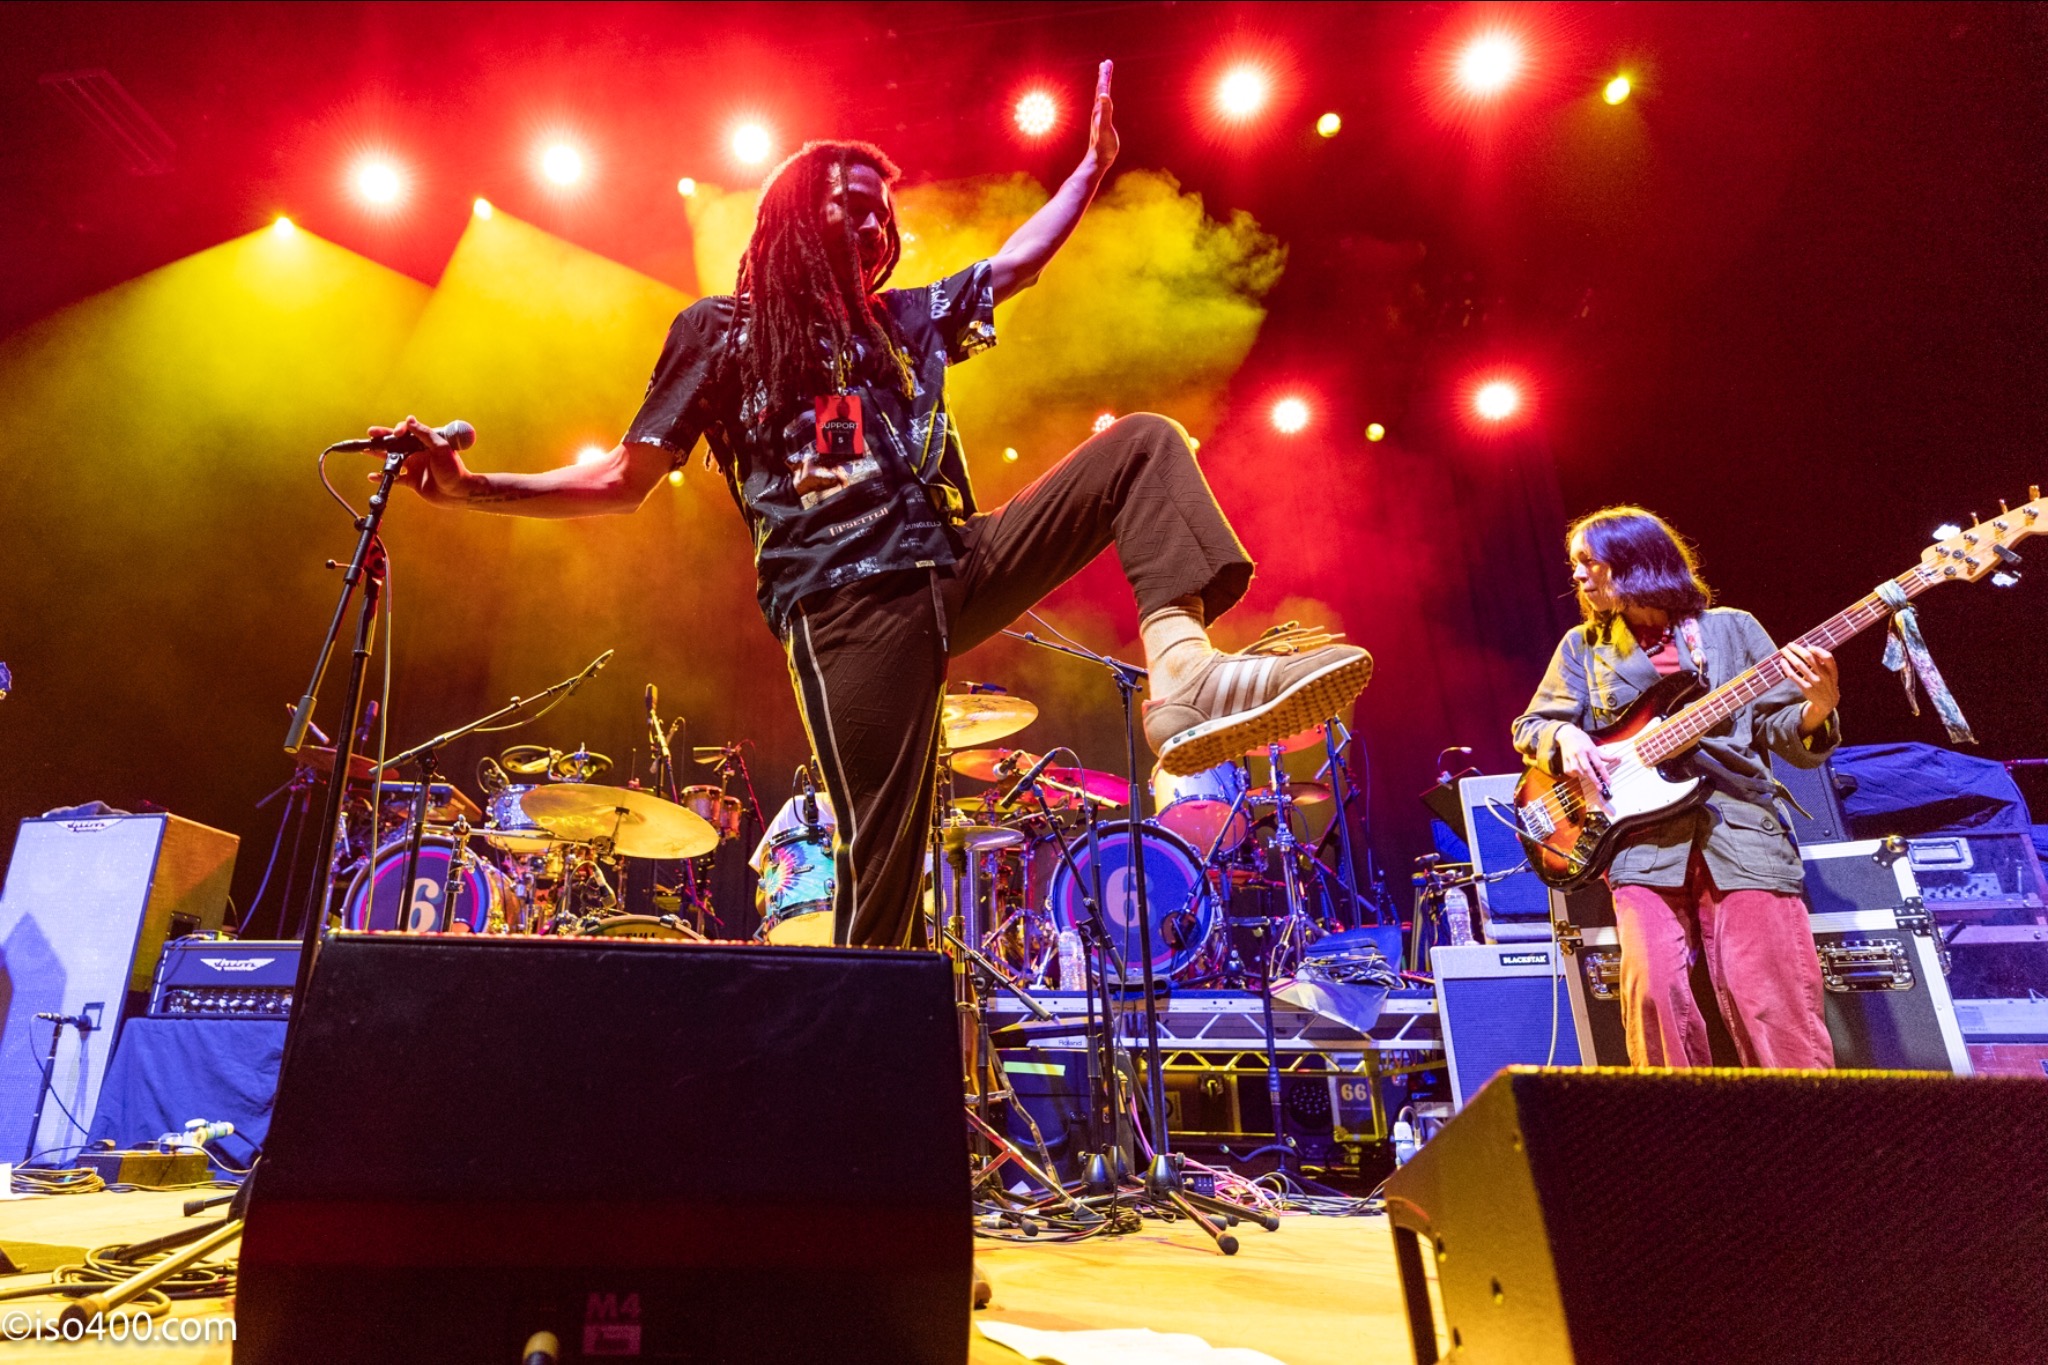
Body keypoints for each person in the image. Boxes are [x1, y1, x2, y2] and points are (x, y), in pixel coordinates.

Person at [370, 62, 1371, 949]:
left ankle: (1183, 674)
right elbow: (619, 481)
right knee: (884, 863)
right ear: (791, 216)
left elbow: (1015, 265)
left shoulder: (902, 322)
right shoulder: (721, 332)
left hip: (953, 560)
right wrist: (469, 488)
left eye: (882, 214)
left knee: (1142, 446)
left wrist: (1088, 171)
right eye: (848, 203)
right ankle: (865, 1067)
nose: (871, 224)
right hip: (846, 604)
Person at [1511, 507, 1839, 1069]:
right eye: (1575, 564)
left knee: (1773, 1000)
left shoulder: (1732, 629)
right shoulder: (1582, 647)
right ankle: (1674, 1120)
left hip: (1741, 831)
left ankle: (1805, 1117)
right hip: (1641, 847)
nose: (1578, 575)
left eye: (1590, 561)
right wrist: (1564, 734)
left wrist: (1819, 707)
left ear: (1635, 560)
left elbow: (1780, 729)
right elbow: (1531, 726)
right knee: (1652, 997)